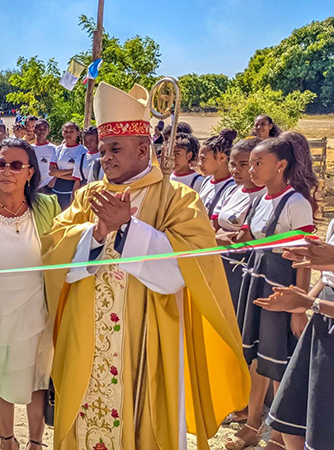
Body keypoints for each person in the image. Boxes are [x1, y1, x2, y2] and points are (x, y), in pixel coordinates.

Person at [40, 82, 250, 450]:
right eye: (102, 150)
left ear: (142, 149)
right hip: (86, 339)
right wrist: (95, 232)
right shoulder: (89, 196)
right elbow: (53, 252)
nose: (105, 158)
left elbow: (185, 272)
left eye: (115, 149)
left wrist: (128, 229)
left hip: (147, 340)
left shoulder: (178, 198)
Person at [0, 138, 59, 450]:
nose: (7, 171)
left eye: (16, 165)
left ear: (30, 172)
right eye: (1, 164)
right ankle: (7, 441)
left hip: (36, 310)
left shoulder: (48, 207)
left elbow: (68, 245)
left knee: (37, 380)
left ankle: (35, 442)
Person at [227, 132, 317, 450]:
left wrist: (297, 309)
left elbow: (304, 259)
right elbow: (246, 239)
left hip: (281, 289)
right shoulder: (259, 200)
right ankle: (253, 423)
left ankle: (279, 435)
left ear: (280, 165)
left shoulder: (296, 203)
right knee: (257, 359)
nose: (251, 170)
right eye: (250, 164)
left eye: (258, 163)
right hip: (256, 283)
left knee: (278, 362)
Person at [263, 208, 334, 450]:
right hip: (323, 324)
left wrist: (311, 304)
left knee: (329, 428)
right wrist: (301, 303)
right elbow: (327, 277)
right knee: (291, 416)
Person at [212, 138, 265, 311]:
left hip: (240, 268)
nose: (236, 170)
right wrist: (216, 237)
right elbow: (211, 227)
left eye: (243, 164)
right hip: (217, 263)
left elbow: (241, 241)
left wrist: (214, 238)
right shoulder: (231, 190)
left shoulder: (263, 196)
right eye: (233, 164)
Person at [198, 129, 237, 219]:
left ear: (222, 158)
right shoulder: (207, 181)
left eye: (203, 159)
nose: (199, 164)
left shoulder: (232, 187)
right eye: (199, 159)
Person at [50, 122, 84, 209]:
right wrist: (73, 171)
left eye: (71, 131)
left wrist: (58, 174)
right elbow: (52, 172)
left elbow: (81, 175)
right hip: (57, 188)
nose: (68, 134)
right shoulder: (58, 149)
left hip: (73, 188)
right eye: (66, 131)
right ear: (62, 133)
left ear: (78, 133)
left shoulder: (83, 151)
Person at [31, 119, 56, 192]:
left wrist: (53, 180)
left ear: (48, 131)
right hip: (33, 186)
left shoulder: (54, 149)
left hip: (49, 186)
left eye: (45, 129)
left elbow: (58, 168)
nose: (42, 131)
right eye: (39, 128)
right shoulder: (30, 148)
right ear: (34, 131)